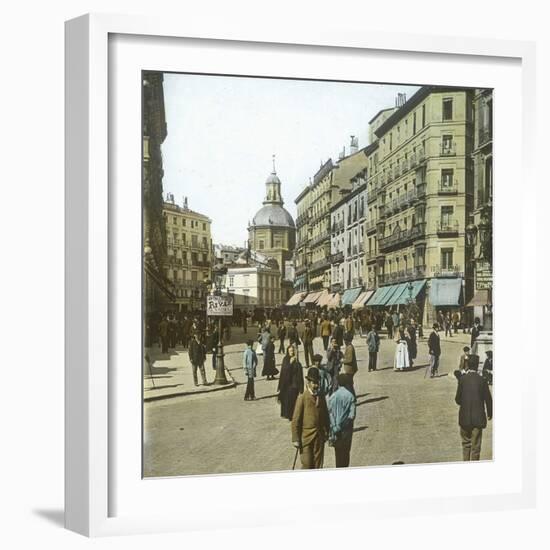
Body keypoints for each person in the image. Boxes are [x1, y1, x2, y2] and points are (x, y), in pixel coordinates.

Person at [455, 354, 493, 461]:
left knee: (466, 445)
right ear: (477, 366)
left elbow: (457, 399)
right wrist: (490, 413)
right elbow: (488, 400)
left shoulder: (462, 380)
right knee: (476, 447)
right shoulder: (482, 380)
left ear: (467, 365)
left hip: (464, 418)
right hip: (478, 418)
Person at [291, 367, 330, 469]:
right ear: (308, 382)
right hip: (306, 438)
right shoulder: (302, 397)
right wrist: (295, 438)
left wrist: (328, 431)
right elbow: (296, 419)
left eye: (317, 383)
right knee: (307, 465)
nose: (316, 385)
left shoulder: (321, 396)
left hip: (319, 436)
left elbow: (325, 415)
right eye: (313, 383)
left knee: (318, 465)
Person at [328, 373, 356, 468]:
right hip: (346, 430)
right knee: (346, 452)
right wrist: (342, 425)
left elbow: (330, 413)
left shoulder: (333, 396)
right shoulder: (350, 396)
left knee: (338, 453)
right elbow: (352, 416)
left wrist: (335, 426)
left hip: (336, 430)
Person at [277, 345, 304, 420]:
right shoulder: (286, 360)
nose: (292, 352)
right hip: (287, 384)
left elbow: (299, 373)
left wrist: (301, 387)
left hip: (295, 383)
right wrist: (290, 363)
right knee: (289, 401)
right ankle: (289, 415)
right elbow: (284, 372)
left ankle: (294, 414)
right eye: (290, 351)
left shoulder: (297, 361)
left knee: (295, 400)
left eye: (293, 351)